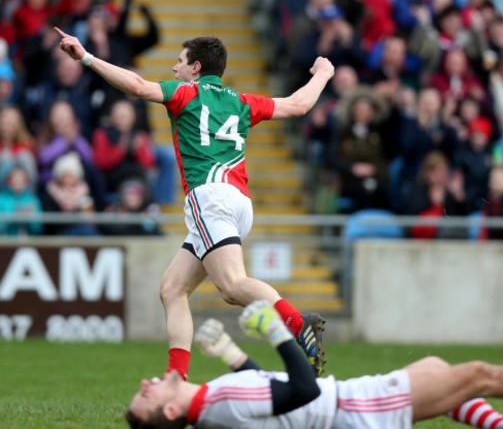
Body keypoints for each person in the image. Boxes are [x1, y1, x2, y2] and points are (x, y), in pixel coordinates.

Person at [55, 27, 335, 378]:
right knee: (172, 288)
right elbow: (299, 105)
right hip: (238, 203)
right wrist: (324, 73)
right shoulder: (242, 101)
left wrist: (87, 57)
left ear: (196, 68)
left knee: (232, 286)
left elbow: (138, 87)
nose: (174, 69)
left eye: (179, 61)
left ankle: (298, 323)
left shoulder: (186, 94)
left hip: (209, 198)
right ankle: (176, 378)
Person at [126, 300, 503, 429]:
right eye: (148, 393)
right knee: (477, 376)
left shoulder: (214, 408)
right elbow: (301, 387)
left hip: (356, 410)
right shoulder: (218, 403)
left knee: (439, 367)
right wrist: (277, 329)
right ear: (171, 413)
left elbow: (270, 396)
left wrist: (233, 355)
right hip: (363, 408)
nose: (149, 381)